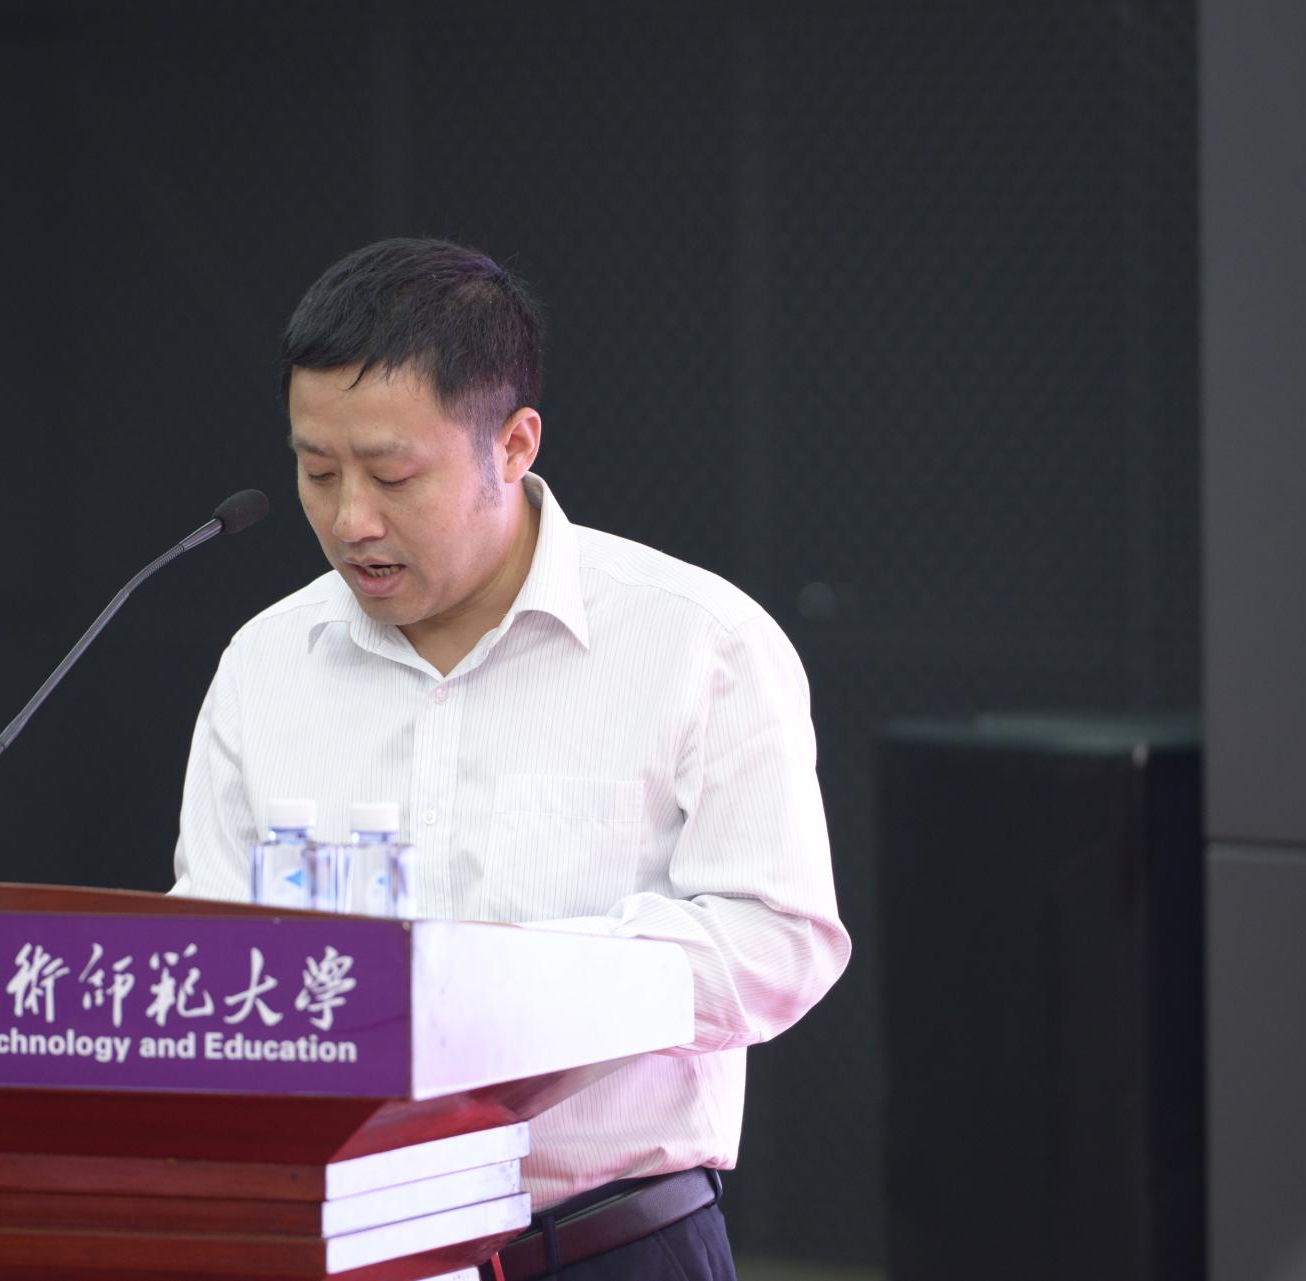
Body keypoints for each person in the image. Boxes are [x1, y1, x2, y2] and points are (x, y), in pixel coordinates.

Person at [170, 237, 850, 1280]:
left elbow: (784, 939)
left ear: (515, 444)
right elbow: (212, 953)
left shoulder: (696, 642)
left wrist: (525, 985)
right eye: (317, 471)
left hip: (605, 1244)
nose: (350, 520)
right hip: (334, 1244)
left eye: (393, 475)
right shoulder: (266, 664)